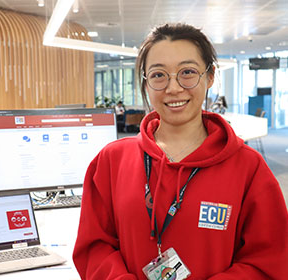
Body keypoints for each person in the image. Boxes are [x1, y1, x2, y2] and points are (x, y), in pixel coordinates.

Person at [73, 23, 288, 279]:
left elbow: (270, 259)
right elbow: (94, 247)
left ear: (209, 77)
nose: (173, 88)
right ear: (145, 83)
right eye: (158, 75)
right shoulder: (111, 161)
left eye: (187, 72)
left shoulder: (248, 167)